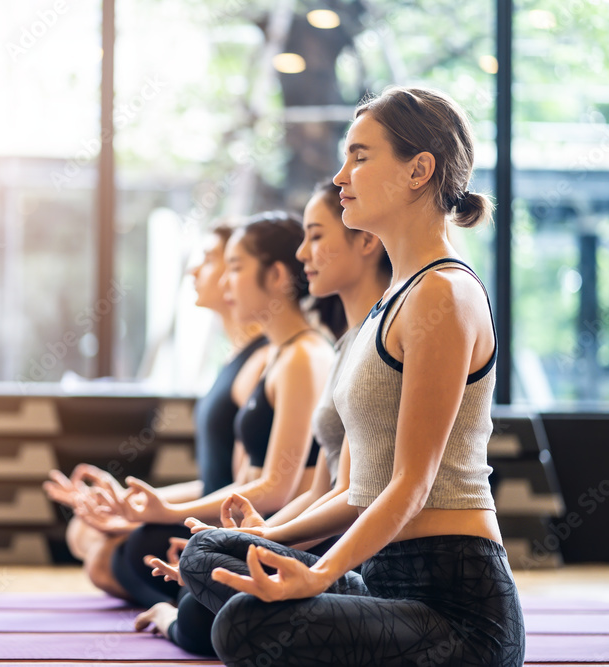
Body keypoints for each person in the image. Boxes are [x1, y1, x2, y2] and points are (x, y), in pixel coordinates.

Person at [178, 86, 526, 667]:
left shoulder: (446, 293)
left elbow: (412, 486)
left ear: (419, 170)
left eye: (360, 157)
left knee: (240, 624)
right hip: (385, 584)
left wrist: (319, 575)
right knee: (208, 552)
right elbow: (357, 491)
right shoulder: (392, 299)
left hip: (458, 608)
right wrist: (267, 538)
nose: (342, 176)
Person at [139, 178, 393, 655]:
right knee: (200, 562)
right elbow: (331, 489)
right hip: (322, 529)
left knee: (210, 605)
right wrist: (250, 537)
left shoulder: (325, 351)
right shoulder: (345, 346)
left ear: (365, 242)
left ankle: (187, 611)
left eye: (316, 237)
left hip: (368, 557)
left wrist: (283, 552)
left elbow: (326, 491)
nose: (303, 255)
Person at [97, 211, 343, 610]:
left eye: (236, 268)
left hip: (290, 531)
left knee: (150, 562)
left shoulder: (304, 356)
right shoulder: (280, 356)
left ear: (277, 276)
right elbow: (244, 477)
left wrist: (175, 513)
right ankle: (182, 607)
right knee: (138, 553)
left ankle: (176, 613)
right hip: (261, 524)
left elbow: (280, 488)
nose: (226, 284)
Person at [43, 222, 269, 599]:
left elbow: (248, 486)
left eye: (211, 260)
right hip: (206, 508)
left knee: (102, 558)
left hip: (221, 522)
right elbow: (217, 478)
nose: (193, 271)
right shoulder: (233, 358)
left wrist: (154, 515)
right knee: (83, 531)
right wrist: (133, 504)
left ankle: (191, 601)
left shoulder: (264, 363)